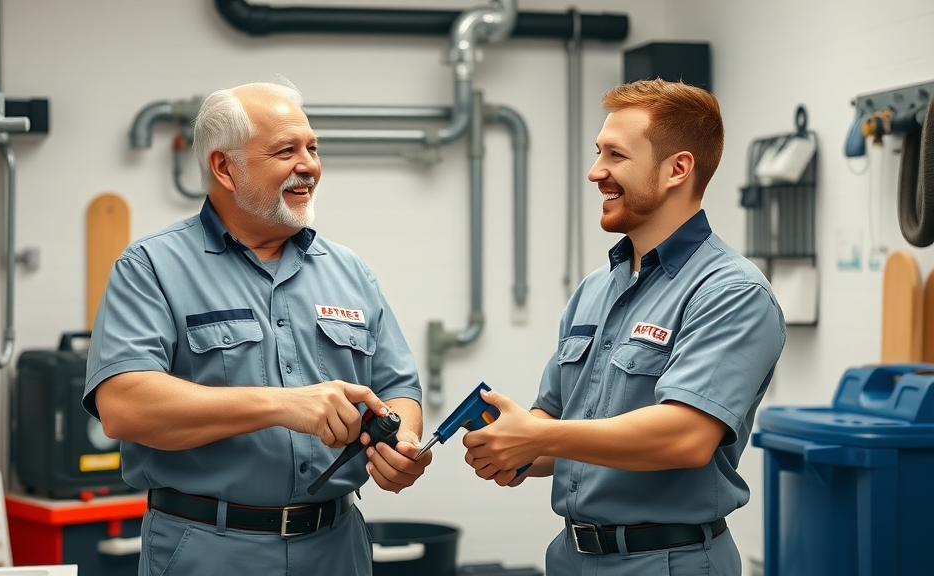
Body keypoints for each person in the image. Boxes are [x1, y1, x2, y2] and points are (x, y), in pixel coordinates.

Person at [82, 80, 431, 576]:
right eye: (286, 150)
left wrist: (403, 443)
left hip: (337, 548)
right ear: (224, 167)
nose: (309, 165)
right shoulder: (152, 267)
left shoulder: (350, 271)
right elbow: (123, 407)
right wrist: (285, 406)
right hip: (209, 549)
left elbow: (398, 387)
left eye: (312, 147)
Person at [462, 79, 786, 575]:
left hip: (666, 561)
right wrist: (515, 446)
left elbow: (685, 436)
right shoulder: (595, 288)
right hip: (572, 557)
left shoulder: (730, 292)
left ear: (678, 168)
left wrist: (541, 438)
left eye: (615, 155)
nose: (596, 172)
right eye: (598, 152)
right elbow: (555, 421)